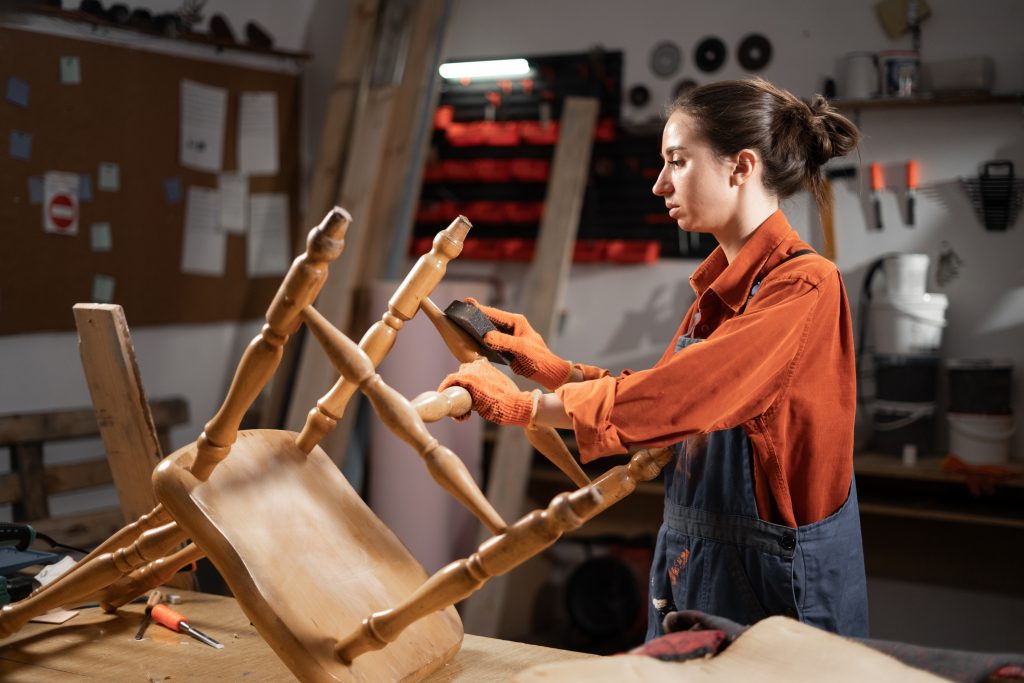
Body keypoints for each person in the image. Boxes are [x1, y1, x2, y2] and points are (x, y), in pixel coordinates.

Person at [438, 77, 869, 639]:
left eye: (677, 162)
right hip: (701, 564)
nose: (660, 183)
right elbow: (662, 398)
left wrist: (526, 408)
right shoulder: (719, 292)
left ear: (741, 168)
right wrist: (551, 368)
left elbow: (684, 398)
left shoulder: (805, 286)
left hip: (771, 589)